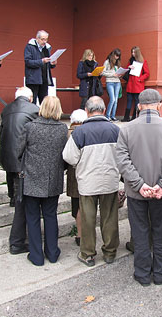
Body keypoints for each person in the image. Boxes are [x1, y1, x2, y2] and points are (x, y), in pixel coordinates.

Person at [116, 89, 162, 286]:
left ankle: (143, 273)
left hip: (137, 193)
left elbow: (122, 159)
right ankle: (160, 272)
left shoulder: (126, 129)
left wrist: (139, 184)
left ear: (139, 106)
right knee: (160, 232)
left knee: (140, 232)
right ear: (159, 105)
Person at [63, 97, 120, 266]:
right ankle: (110, 252)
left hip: (88, 182)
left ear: (87, 111)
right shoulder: (116, 130)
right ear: (103, 110)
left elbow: (69, 157)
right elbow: (124, 156)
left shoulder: (79, 132)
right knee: (110, 217)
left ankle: (87, 253)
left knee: (87, 219)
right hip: (109, 181)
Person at [17, 96, 67, 266]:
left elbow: (18, 150)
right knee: (51, 216)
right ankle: (52, 253)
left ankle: (36, 256)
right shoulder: (62, 128)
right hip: (53, 178)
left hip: (32, 177)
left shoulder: (30, 127)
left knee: (32, 217)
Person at [0, 86, 39, 255]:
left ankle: (12, 197)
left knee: (14, 185)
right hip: (23, 157)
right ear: (30, 98)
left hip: (7, 154)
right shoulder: (34, 109)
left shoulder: (6, 109)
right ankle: (16, 241)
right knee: (22, 200)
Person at [65, 109, 88, 246]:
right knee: (85, 205)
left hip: (73, 174)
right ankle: (84, 234)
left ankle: (80, 235)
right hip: (86, 172)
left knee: (77, 206)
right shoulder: (87, 131)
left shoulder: (68, 133)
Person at [24, 30, 57, 105]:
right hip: (33, 80)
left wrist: (52, 63)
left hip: (44, 79)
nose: (45, 41)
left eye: (46, 39)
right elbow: (28, 62)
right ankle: (33, 117)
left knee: (44, 103)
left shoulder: (47, 48)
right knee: (32, 102)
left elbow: (47, 64)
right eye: (42, 39)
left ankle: (43, 116)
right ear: (37, 39)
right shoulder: (30, 47)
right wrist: (41, 61)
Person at [123, 46, 150, 122]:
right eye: (132, 52)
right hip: (130, 84)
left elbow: (147, 73)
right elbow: (126, 70)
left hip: (138, 85)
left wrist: (140, 79)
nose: (132, 54)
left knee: (137, 101)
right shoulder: (131, 61)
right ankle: (126, 117)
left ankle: (135, 117)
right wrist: (128, 67)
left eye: (134, 52)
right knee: (129, 100)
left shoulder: (143, 61)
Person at [102, 48, 123, 121]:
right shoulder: (107, 62)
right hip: (110, 82)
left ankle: (113, 116)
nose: (117, 57)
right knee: (112, 99)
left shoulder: (117, 62)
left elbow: (118, 73)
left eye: (118, 56)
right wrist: (113, 74)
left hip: (117, 82)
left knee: (116, 100)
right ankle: (107, 116)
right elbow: (103, 72)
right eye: (116, 55)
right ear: (113, 54)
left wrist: (120, 74)